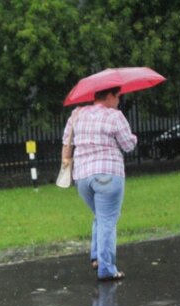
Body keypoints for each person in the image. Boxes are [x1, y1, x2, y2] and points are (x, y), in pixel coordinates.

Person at [62, 87, 137, 281]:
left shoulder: (77, 114)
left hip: (83, 177)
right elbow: (128, 145)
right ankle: (107, 268)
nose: (119, 100)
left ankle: (96, 257)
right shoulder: (115, 116)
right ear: (110, 96)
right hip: (108, 175)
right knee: (107, 221)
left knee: (101, 216)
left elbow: (66, 142)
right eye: (118, 96)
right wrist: (133, 137)